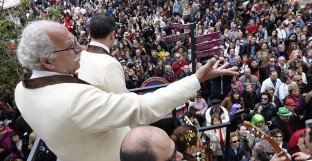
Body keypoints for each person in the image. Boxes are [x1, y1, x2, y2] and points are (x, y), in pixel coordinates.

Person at [15, 20, 238, 161]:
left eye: (76, 40)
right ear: (47, 62)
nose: (80, 48)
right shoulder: (74, 101)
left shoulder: (21, 90)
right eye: (71, 46)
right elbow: (142, 107)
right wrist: (196, 79)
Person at [78, 13, 128, 94]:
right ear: (112, 34)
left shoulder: (77, 57)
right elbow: (123, 101)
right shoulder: (111, 64)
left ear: (89, 32)